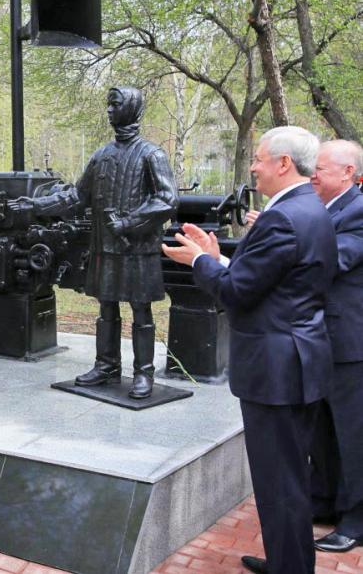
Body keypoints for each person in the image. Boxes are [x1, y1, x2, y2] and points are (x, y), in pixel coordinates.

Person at [162, 126, 337, 574]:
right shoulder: (310, 210)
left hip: (277, 370)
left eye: (259, 158)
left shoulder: (282, 217)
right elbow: (270, 280)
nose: (253, 166)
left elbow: (239, 294)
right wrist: (217, 255)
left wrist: (198, 262)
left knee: (280, 483)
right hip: (299, 359)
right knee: (288, 477)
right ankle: (287, 562)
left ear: (283, 163)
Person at [9, 87, 178, 399]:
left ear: (132, 109)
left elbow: (167, 200)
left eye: (115, 104)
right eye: (109, 105)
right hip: (104, 247)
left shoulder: (152, 154)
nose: (110, 110)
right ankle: (106, 365)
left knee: (140, 310)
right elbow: (76, 196)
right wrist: (36, 206)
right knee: (106, 307)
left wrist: (129, 222)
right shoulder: (101, 155)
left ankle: (143, 372)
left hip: (137, 248)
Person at [306, 140, 363, 553]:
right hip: (322, 339)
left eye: (321, 168)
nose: (313, 175)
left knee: (353, 434)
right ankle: (324, 502)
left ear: (347, 172)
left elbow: (335, 259)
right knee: (322, 431)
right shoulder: (326, 209)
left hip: (351, 343)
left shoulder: (358, 210)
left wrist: (282, 236)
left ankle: (356, 520)